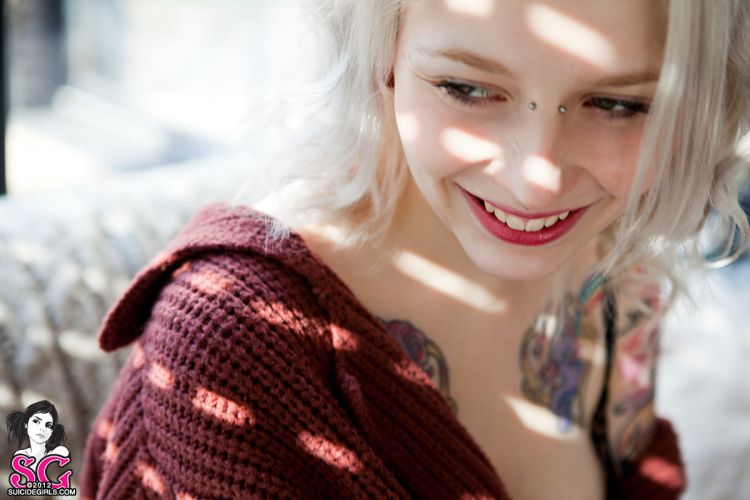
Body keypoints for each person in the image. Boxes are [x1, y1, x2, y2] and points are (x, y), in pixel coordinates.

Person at [82, 0, 750, 498]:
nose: (535, 181)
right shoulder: (235, 342)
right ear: (383, 59)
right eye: (468, 89)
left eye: (617, 104)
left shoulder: (618, 271)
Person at [6, 400, 70, 473]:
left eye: (48, 425)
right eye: (36, 421)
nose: (42, 428)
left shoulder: (59, 452)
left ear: (52, 431)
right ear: (26, 424)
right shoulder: (20, 456)